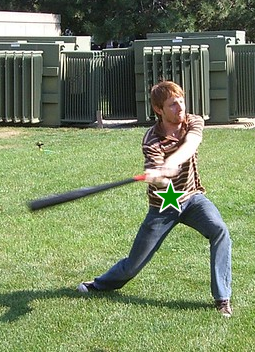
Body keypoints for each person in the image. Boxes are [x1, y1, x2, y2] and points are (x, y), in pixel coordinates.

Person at [77, 81, 233, 318]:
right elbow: (162, 183)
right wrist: (158, 177)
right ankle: (99, 284)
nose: (180, 107)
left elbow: (192, 144)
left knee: (219, 230)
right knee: (133, 264)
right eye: (172, 104)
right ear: (159, 110)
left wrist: (172, 162)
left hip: (193, 198)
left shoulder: (193, 121)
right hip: (163, 206)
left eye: (181, 101)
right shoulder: (151, 139)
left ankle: (222, 298)